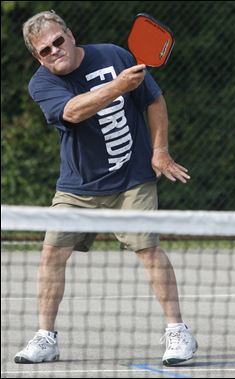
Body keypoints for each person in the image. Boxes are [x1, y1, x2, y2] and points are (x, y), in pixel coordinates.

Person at [15, 10, 198, 366]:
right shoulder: (41, 84)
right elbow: (73, 111)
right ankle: (45, 338)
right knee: (51, 253)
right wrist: (117, 87)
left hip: (132, 179)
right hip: (77, 187)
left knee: (147, 249)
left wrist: (160, 151)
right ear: (37, 57)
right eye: (44, 50)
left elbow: (153, 100)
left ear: (70, 35)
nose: (54, 51)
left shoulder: (115, 55)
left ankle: (179, 332)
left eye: (57, 41)